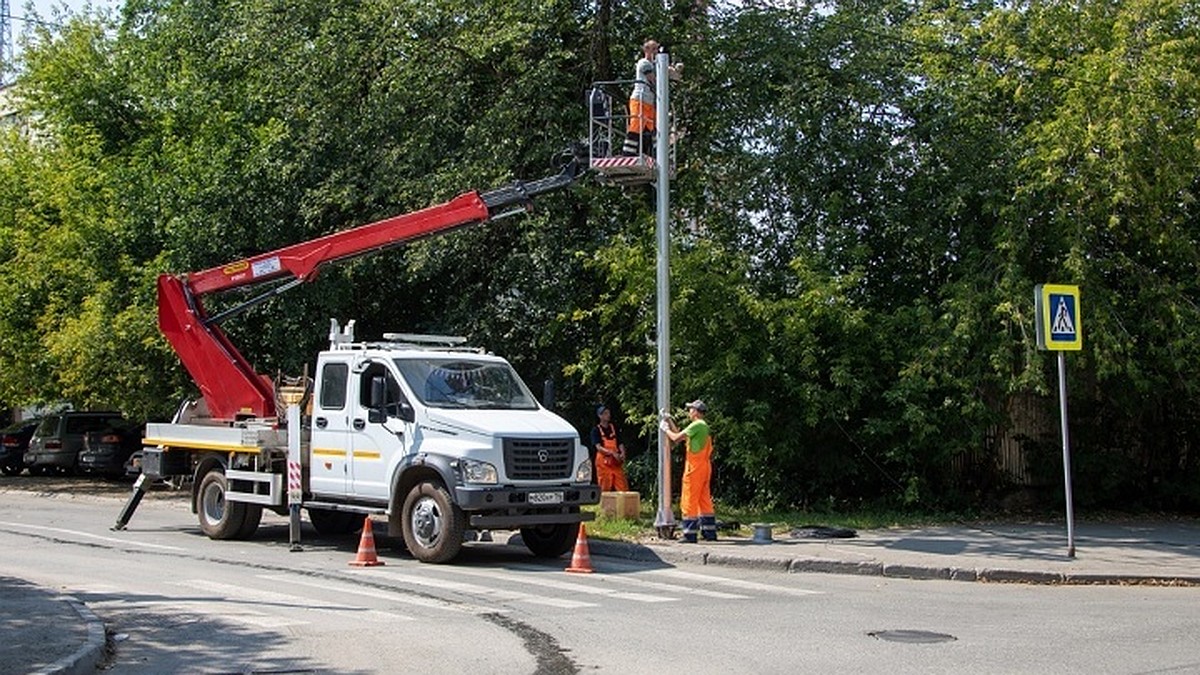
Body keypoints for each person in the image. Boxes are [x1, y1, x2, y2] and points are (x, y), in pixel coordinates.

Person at [661, 399, 715, 543]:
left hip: (694, 468)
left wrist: (664, 429)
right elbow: (681, 434)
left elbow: (676, 438)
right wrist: (669, 420)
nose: (689, 411)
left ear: (696, 412)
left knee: (689, 499)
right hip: (704, 467)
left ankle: (689, 534)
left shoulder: (696, 425)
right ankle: (709, 532)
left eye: (691, 409)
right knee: (704, 500)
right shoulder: (702, 426)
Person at [622, 39, 681, 157]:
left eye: (656, 49)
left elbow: (674, 75)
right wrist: (666, 73)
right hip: (640, 98)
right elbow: (652, 78)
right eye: (652, 49)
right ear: (646, 50)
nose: (655, 52)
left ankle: (649, 153)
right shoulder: (644, 63)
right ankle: (628, 153)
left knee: (650, 127)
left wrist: (675, 71)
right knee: (636, 124)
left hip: (649, 102)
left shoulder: (655, 64)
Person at [591, 405, 629, 492]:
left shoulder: (614, 428)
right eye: (605, 413)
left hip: (616, 462)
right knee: (605, 486)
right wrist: (612, 453)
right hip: (603, 463)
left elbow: (620, 442)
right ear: (600, 416)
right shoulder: (596, 430)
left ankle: (623, 504)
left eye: (608, 413)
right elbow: (599, 447)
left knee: (622, 486)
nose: (608, 415)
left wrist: (623, 453)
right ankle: (605, 504)